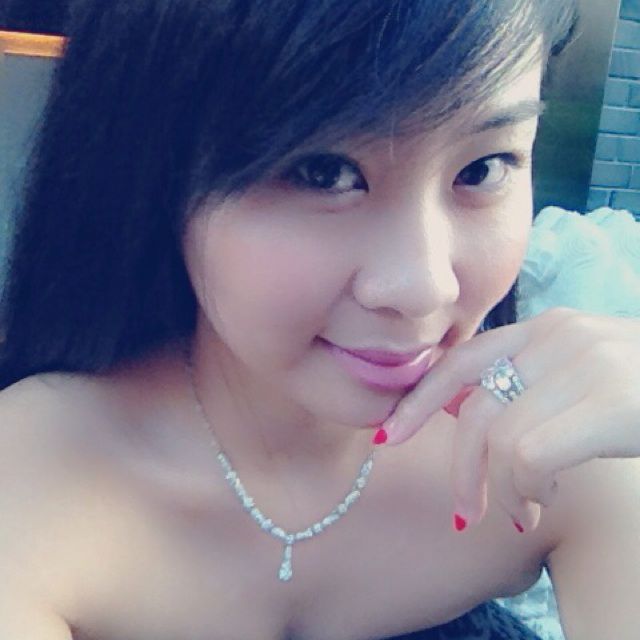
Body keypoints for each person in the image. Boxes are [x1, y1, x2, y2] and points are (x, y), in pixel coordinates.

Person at [1, 1, 639, 638]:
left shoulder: (556, 448)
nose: (423, 288)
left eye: (482, 168)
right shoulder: (32, 488)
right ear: (160, 172)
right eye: (324, 173)